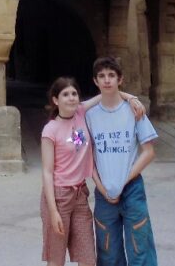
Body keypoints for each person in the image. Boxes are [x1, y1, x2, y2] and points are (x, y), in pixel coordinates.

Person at [41, 77, 144, 266]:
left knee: (88, 258)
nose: (71, 98)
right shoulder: (51, 130)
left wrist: (131, 98)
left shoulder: (80, 113)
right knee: (56, 259)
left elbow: (108, 92)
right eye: (65, 95)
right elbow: (47, 172)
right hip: (59, 196)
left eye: (74, 94)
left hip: (80, 195)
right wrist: (53, 211)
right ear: (56, 100)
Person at [86, 57, 159, 266]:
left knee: (140, 246)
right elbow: (84, 154)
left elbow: (148, 151)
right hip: (104, 191)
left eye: (111, 75)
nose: (107, 80)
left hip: (131, 188)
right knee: (108, 250)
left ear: (120, 79)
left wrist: (124, 181)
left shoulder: (134, 111)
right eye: (102, 76)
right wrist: (102, 186)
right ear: (95, 81)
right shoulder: (89, 115)